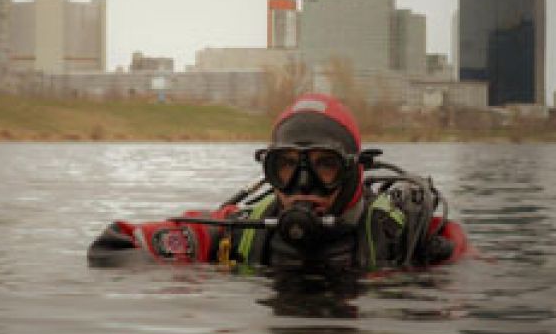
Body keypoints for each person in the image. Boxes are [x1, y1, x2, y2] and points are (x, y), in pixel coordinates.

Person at [88, 93, 470, 272]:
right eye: (286, 166)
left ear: (353, 171)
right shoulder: (238, 231)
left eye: (325, 166)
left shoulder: (408, 233)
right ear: (268, 172)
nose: (303, 184)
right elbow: (113, 244)